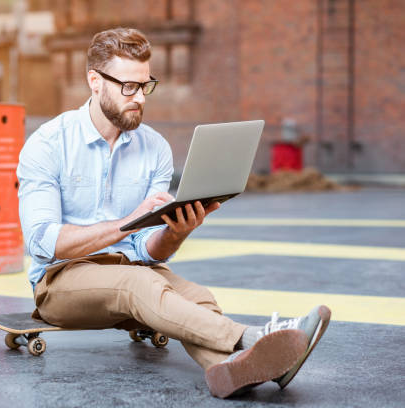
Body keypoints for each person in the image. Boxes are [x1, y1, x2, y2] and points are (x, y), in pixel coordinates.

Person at [16, 27, 330, 399]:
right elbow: (42, 243)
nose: (139, 99)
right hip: (60, 283)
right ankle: (258, 337)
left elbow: (149, 252)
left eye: (146, 86)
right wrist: (124, 224)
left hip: (131, 271)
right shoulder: (48, 144)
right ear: (95, 81)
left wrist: (177, 231)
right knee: (140, 283)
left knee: (198, 297)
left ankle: (229, 371)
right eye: (128, 87)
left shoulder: (155, 149)